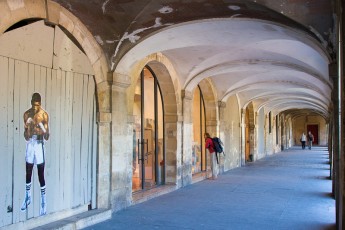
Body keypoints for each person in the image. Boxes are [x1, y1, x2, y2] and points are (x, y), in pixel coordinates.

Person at [21, 93, 50, 215]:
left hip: (39, 143)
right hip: (31, 143)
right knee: (28, 170)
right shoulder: (27, 114)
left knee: (40, 173)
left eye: (37, 106)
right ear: (31, 103)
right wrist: (28, 126)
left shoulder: (44, 114)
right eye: (33, 105)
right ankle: (28, 197)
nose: (35, 108)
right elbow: (26, 138)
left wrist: (42, 127)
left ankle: (43, 202)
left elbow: (47, 136)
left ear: (40, 104)